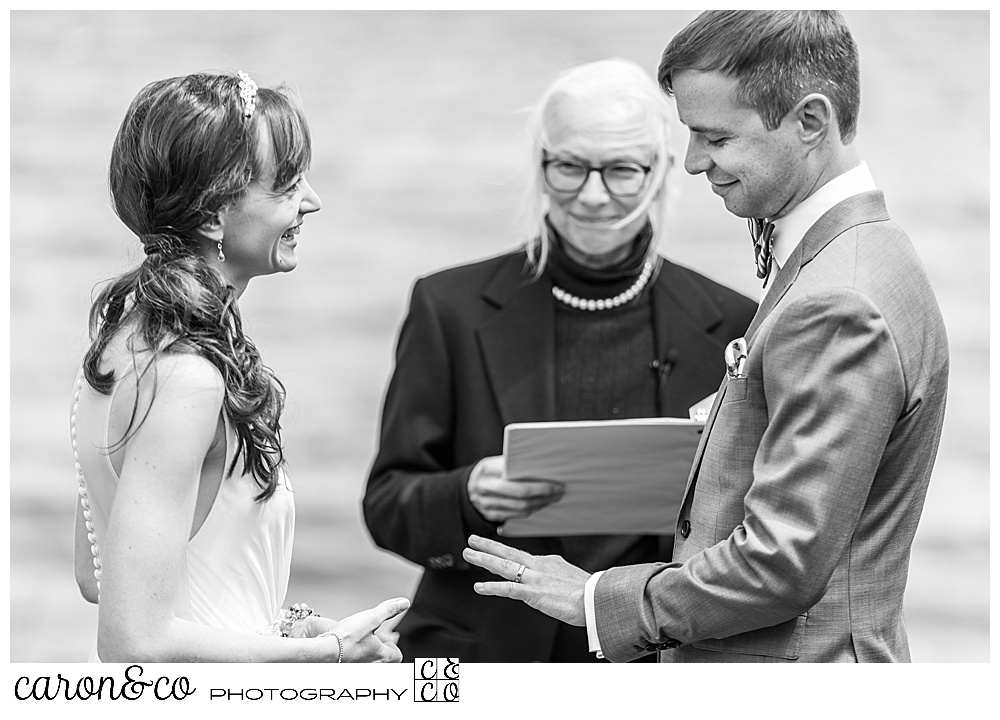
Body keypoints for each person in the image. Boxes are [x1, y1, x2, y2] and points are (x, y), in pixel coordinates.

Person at [465, 10, 950, 664]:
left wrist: (593, 598)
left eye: (714, 137)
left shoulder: (836, 298)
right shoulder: (866, 253)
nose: (692, 163)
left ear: (810, 121)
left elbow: (780, 565)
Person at [363, 58, 757, 662]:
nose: (594, 195)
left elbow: (751, 531)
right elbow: (388, 506)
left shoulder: (733, 324)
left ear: (662, 170)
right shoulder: (449, 306)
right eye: (570, 166)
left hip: (648, 661)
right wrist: (468, 493)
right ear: (541, 165)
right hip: (478, 654)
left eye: (622, 170)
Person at [72, 70, 407, 662]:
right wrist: (325, 655)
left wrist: (283, 627)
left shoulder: (116, 347)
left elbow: (98, 575)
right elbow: (133, 643)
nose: (312, 200)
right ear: (213, 215)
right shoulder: (185, 379)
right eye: (287, 185)